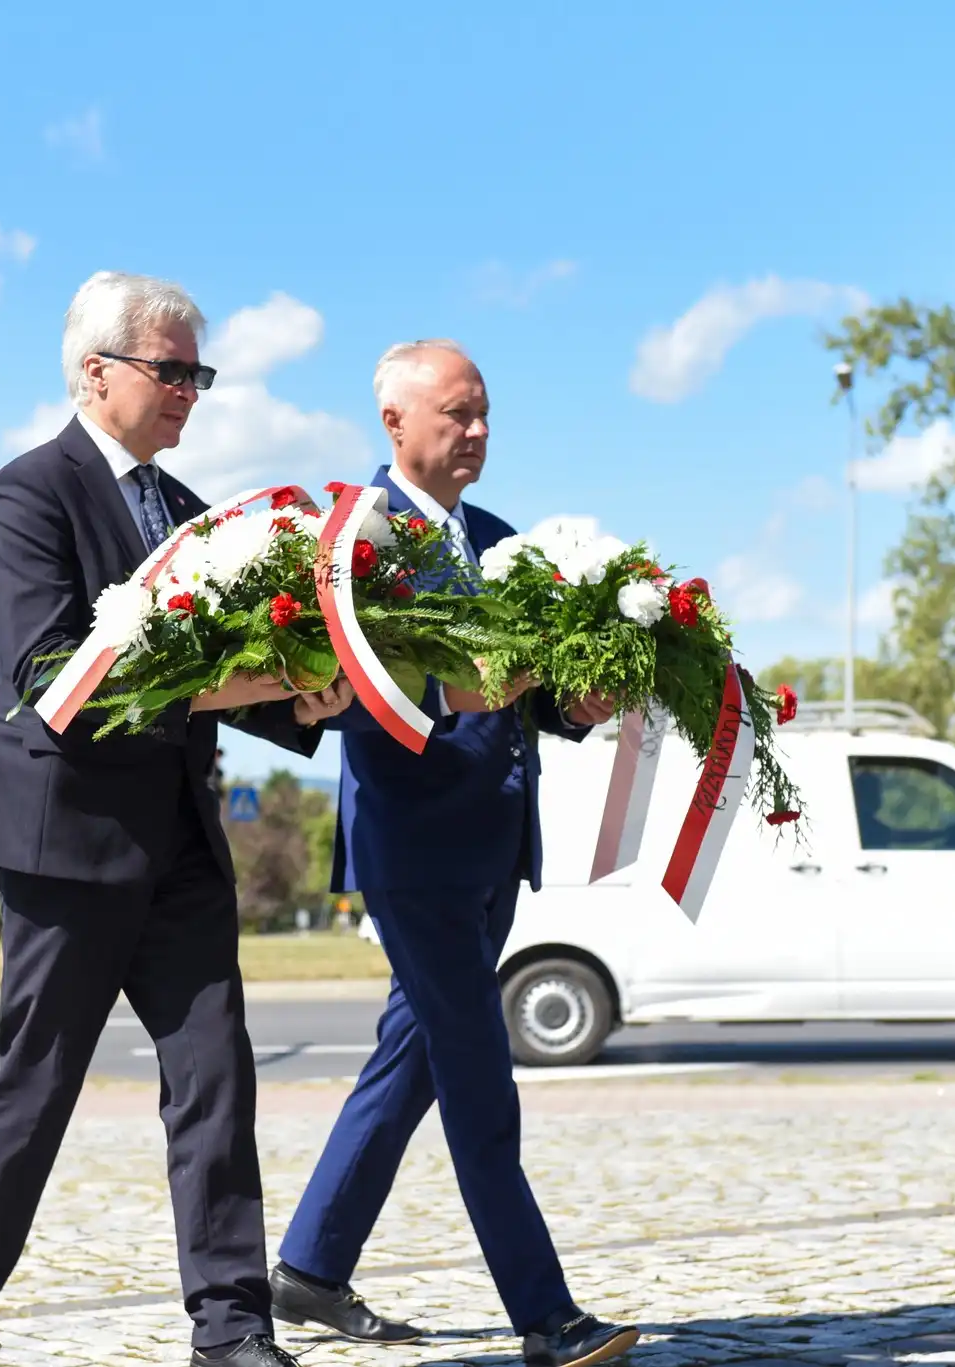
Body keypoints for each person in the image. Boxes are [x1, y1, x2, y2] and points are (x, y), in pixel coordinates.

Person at [0, 271, 354, 1367]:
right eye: (172, 370)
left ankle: (232, 1329)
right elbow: (51, 672)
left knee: (216, 1077)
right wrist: (238, 688)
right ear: (94, 371)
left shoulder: (197, 514)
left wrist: (306, 698)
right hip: (67, 839)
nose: (190, 391)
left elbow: (235, 669)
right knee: (38, 1082)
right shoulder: (29, 493)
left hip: (181, 843)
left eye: (200, 373)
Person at [268, 341, 640, 1367]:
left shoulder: (500, 541)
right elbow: (348, 692)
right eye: (457, 414)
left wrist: (575, 703)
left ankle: (309, 1265)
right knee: (478, 1073)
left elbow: (529, 694)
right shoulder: (357, 541)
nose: (477, 431)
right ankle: (546, 1315)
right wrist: (463, 685)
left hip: (495, 844)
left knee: (416, 1054)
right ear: (394, 422)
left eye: (484, 414)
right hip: (413, 848)